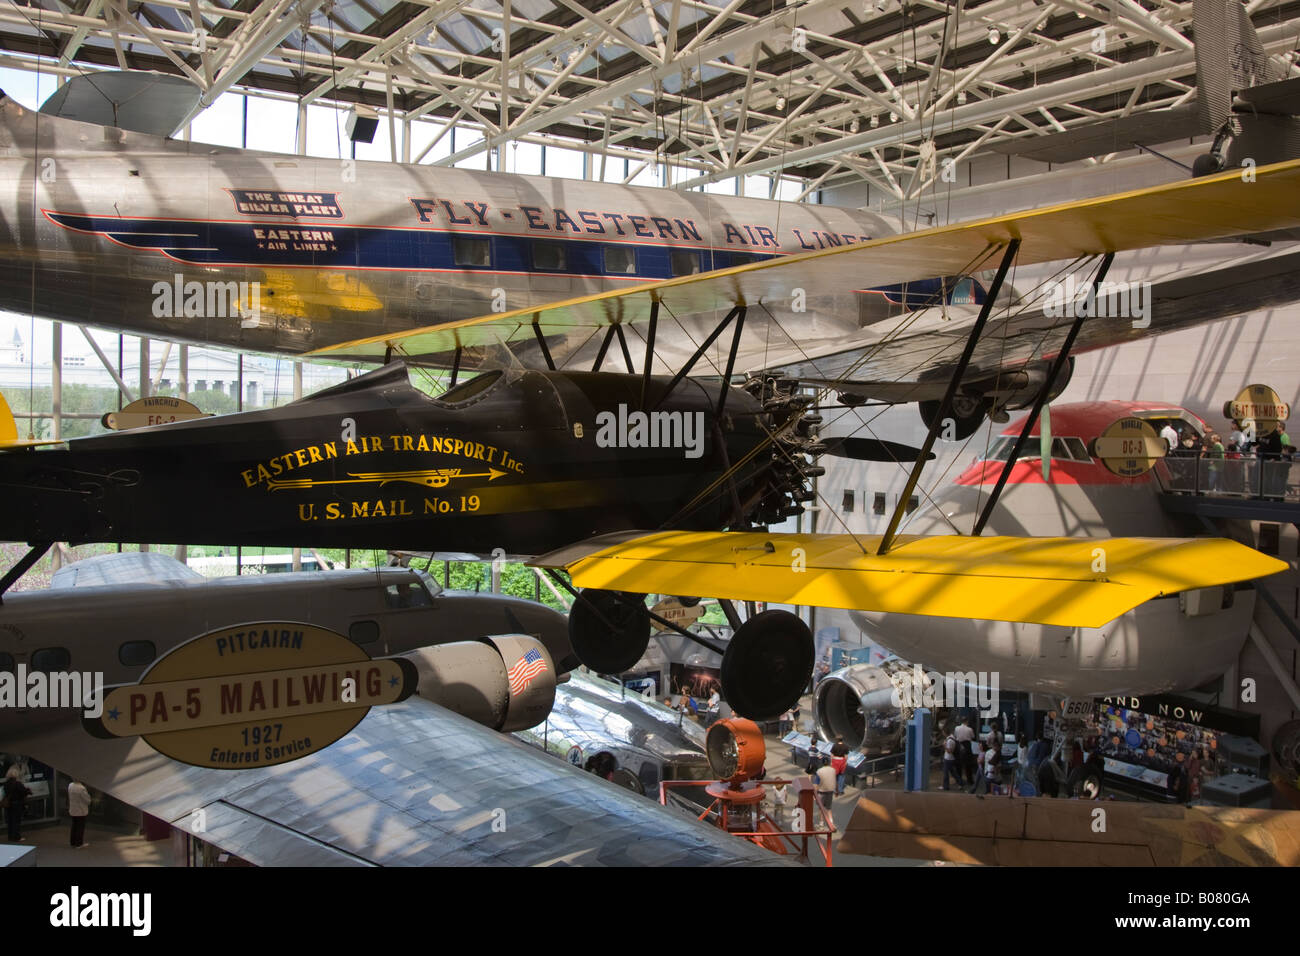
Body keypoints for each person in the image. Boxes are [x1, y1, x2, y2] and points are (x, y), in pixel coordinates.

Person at [3, 766, 30, 842]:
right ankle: (16, 837)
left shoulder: (6, 784)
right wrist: (28, 791)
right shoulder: (18, 783)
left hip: (9, 804)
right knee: (16, 821)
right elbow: (23, 792)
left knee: (10, 821)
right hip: (17, 804)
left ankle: (10, 836)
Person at [68, 779, 91, 848]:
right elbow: (87, 800)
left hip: (73, 809)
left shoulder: (70, 785)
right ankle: (79, 843)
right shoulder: (82, 788)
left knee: (74, 826)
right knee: (80, 827)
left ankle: (72, 842)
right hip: (81, 810)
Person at [954, 717, 977, 785]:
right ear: (966, 721)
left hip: (959, 745)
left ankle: (959, 779)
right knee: (968, 764)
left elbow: (955, 736)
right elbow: (973, 737)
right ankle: (969, 780)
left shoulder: (956, 728)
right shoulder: (969, 729)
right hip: (967, 746)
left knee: (959, 764)